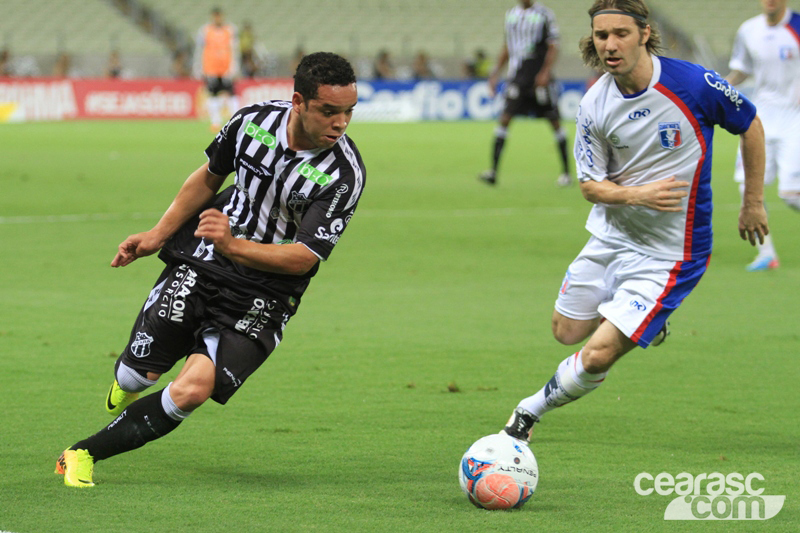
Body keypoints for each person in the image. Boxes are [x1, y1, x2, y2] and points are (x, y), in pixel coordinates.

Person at [55, 52, 366, 488]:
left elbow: (304, 257)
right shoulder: (252, 123)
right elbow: (208, 177)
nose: (341, 123)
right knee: (134, 375)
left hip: (265, 292)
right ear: (298, 101)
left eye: (349, 111)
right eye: (329, 111)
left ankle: (82, 453)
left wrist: (234, 244)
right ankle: (131, 378)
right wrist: (158, 234)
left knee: (192, 390)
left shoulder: (344, 175)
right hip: (205, 258)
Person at [500, 0, 769, 443]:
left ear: (645, 33)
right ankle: (646, 322)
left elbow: (750, 124)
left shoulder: (693, 84)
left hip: (671, 254)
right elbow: (590, 186)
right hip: (611, 237)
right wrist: (638, 195)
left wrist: (753, 202)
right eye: (601, 35)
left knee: (596, 355)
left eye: (620, 34)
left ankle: (526, 416)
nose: (610, 45)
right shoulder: (594, 103)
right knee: (566, 332)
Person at [726, 0, 800, 271]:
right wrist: (718, 87)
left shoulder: (797, 27)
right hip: (761, 118)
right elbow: (742, 69)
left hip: (795, 118)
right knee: (747, 186)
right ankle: (767, 255)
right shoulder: (749, 30)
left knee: (791, 194)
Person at [479, 0, 571, 187]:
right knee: (505, 118)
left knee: (554, 121)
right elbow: (508, 46)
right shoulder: (510, 15)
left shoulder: (544, 15)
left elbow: (553, 45)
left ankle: (566, 173)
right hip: (517, 77)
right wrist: (496, 72)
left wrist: (545, 72)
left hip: (537, 76)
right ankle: (493, 172)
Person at [193, 7, 240, 131]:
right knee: (213, 95)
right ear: (212, 17)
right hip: (211, 69)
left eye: (219, 16)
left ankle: (236, 121)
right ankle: (215, 122)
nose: (217, 19)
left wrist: (234, 67)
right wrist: (198, 67)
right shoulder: (205, 30)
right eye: (215, 16)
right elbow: (199, 50)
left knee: (231, 94)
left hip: (226, 69)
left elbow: (234, 49)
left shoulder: (230, 30)